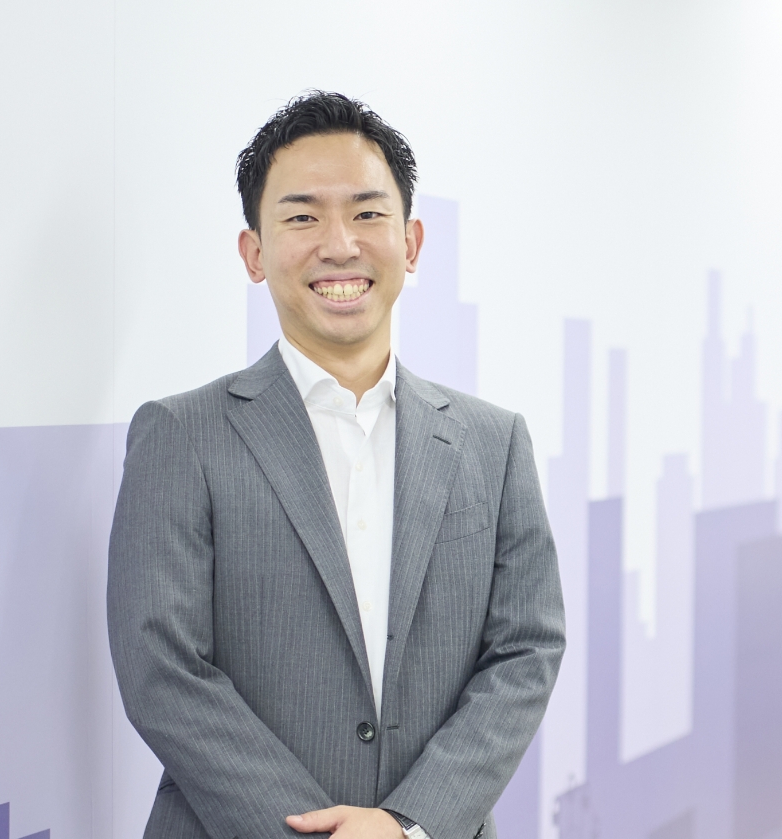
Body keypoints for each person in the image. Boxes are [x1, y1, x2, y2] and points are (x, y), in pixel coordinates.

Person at [107, 91, 566, 839]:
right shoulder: (182, 435)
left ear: (411, 243)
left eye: (367, 212)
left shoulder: (494, 442)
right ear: (254, 253)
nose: (340, 244)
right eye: (302, 217)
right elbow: (163, 669)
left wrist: (411, 824)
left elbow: (526, 649)